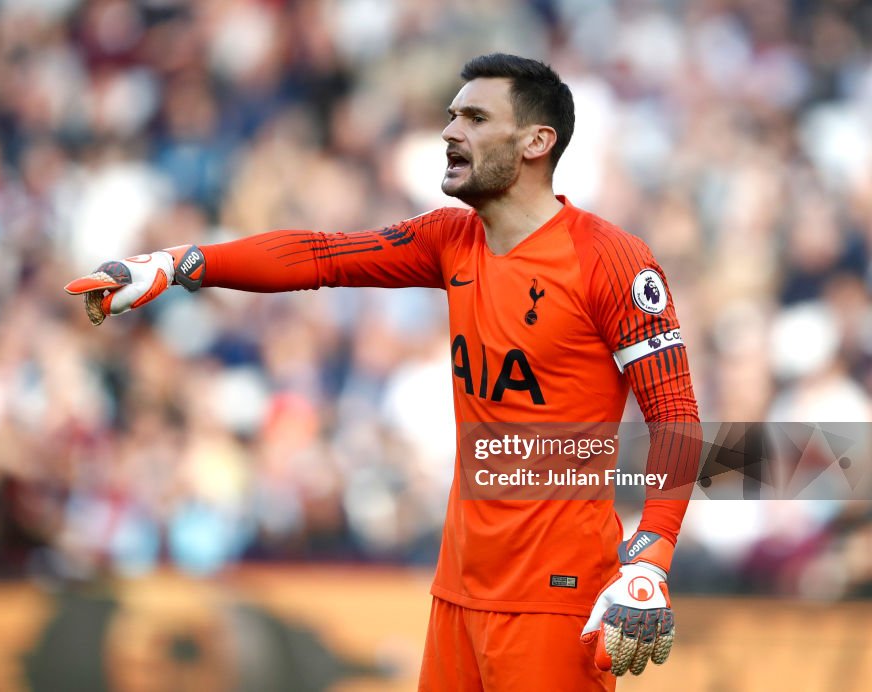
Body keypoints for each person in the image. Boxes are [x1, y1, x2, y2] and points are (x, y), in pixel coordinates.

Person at [66, 53, 701, 691]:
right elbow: (322, 256)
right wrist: (178, 264)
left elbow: (676, 416)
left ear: (537, 142)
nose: (450, 132)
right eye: (452, 116)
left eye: (476, 118)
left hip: (556, 601)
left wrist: (650, 559)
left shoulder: (610, 260)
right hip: (458, 591)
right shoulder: (449, 239)